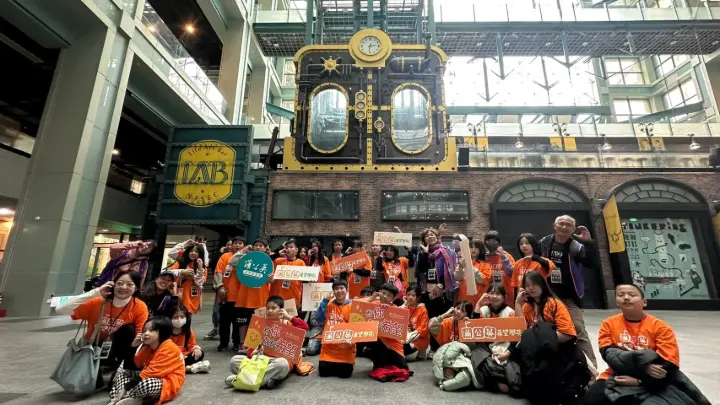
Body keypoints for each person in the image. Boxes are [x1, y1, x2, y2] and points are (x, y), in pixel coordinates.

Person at [584, 284, 710, 405]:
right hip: (616, 374)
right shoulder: (608, 324)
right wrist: (644, 365)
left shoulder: (660, 327)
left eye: (632, 294)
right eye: (621, 295)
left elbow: (668, 364)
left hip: (653, 378)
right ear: (617, 302)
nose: (626, 297)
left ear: (644, 302)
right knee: (592, 399)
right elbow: (609, 354)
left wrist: (640, 381)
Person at [495, 271, 589, 404]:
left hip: (555, 350)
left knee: (541, 330)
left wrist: (538, 338)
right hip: (534, 352)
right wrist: (517, 303)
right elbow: (521, 330)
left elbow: (568, 333)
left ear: (542, 285)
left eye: (534, 284)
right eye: (527, 285)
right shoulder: (527, 306)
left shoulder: (554, 303)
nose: (531, 288)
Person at [57, 271, 148, 384]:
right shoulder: (98, 302)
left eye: (129, 284)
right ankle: (99, 371)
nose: (123, 287)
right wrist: (96, 292)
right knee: (90, 385)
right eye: (120, 283)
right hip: (92, 349)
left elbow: (139, 338)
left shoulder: (139, 306)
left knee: (129, 330)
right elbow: (60, 309)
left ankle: (120, 371)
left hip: (119, 349)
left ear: (136, 288)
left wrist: (126, 364)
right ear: (113, 285)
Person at [539, 214, 599, 367]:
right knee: (545, 330)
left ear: (573, 229)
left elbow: (590, 263)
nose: (564, 227)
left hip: (569, 298)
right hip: (548, 297)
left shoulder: (576, 246)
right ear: (554, 225)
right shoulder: (544, 243)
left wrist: (588, 242)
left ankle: (591, 368)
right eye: (561, 223)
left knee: (579, 330)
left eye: (568, 225)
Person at [226, 296, 310, 390]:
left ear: (281, 310)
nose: (270, 311)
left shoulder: (287, 323)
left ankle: (242, 379)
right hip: (259, 360)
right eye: (268, 308)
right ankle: (263, 381)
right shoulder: (260, 324)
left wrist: (289, 317)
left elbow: (305, 327)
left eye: (273, 308)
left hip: (275, 362)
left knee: (282, 364)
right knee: (234, 360)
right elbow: (250, 348)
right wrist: (252, 353)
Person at [109, 317, 185, 405]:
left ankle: (123, 396)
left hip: (167, 382)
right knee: (125, 373)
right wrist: (133, 346)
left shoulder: (169, 347)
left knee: (145, 384)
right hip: (148, 377)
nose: (145, 333)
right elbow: (132, 365)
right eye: (144, 330)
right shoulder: (148, 348)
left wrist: (126, 387)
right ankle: (127, 397)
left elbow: (150, 372)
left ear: (162, 332)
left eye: (151, 330)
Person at [473, 285, 521, 394]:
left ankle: (500, 380)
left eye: (498, 294)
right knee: (476, 354)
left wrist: (506, 353)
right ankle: (497, 382)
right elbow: (475, 329)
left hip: (505, 347)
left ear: (504, 297)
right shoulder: (483, 310)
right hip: (487, 349)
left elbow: (516, 335)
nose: (494, 296)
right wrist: (478, 304)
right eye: (491, 293)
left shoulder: (510, 312)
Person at [234, 238, 272, 354]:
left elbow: (272, 279)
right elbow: (232, 262)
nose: (258, 247)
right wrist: (243, 251)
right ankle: (242, 344)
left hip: (260, 297)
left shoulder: (268, 261)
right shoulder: (246, 258)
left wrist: (271, 279)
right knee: (243, 322)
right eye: (256, 245)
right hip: (244, 297)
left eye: (261, 245)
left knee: (258, 322)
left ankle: (254, 345)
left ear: (265, 248)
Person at [362, 283, 409, 371]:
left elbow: (400, 330)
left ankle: (378, 358)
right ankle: (376, 358)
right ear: (379, 292)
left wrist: (388, 312)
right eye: (383, 293)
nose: (385, 296)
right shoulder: (372, 304)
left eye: (389, 295)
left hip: (393, 345)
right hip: (377, 342)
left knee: (403, 368)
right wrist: (371, 298)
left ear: (393, 298)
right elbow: (356, 307)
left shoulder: (395, 309)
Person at [316, 279, 355, 378]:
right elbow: (318, 319)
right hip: (329, 348)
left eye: (342, 288)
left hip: (346, 347)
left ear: (347, 290)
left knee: (345, 374)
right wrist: (324, 301)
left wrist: (352, 340)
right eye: (336, 289)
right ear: (333, 291)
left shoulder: (353, 306)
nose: (339, 290)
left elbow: (357, 327)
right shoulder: (328, 304)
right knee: (323, 372)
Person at [215, 237, 244, 351]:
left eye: (240, 243)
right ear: (231, 245)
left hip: (240, 296)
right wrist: (220, 286)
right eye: (235, 243)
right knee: (224, 322)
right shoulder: (225, 257)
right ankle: (223, 342)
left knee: (238, 322)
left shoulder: (247, 258)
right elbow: (218, 272)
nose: (237, 245)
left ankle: (236, 342)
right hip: (225, 295)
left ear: (244, 245)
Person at [205, 240, 233, 341]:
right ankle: (216, 328)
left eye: (231, 244)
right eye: (228, 244)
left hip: (235, 289)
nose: (230, 246)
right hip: (221, 288)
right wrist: (219, 253)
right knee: (216, 311)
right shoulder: (222, 256)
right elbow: (213, 266)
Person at [169, 306, 210, 374]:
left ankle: (178, 367)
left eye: (182, 317)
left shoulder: (188, 331)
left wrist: (196, 349)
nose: (179, 319)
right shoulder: (166, 332)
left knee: (200, 353)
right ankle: (188, 368)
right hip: (170, 356)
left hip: (183, 355)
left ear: (186, 318)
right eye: (175, 317)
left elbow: (192, 345)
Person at [454, 238, 491, 310]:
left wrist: (470, 266)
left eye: (476, 247)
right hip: (464, 298)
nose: (473, 249)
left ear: (480, 249)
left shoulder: (485, 264)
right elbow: (457, 277)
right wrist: (460, 267)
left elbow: (484, 280)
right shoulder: (463, 262)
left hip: (479, 299)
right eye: (471, 247)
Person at [170, 244, 207, 315]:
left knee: (188, 315)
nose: (193, 253)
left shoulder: (203, 266)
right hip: (179, 294)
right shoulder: (180, 263)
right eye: (191, 251)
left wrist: (200, 269)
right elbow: (170, 274)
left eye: (196, 251)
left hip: (192, 296)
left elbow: (200, 283)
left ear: (200, 254)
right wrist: (182, 273)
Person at [269, 239, 305, 305]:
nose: (288, 249)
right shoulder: (278, 261)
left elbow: (304, 279)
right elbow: (267, 259)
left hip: (293, 297)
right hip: (277, 298)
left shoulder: (301, 262)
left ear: (296, 250)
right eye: (287, 247)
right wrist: (278, 254)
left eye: (291, 247)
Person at [484, 231, 515, 306]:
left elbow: (513, 272)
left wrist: (503, 257)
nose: (491, 242)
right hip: (490, 294)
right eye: (488, 240)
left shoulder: (506, 256)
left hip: (507, 293)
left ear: (499, 242)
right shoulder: (484, 258)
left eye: (494, 240)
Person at [403, 283, 429, 361]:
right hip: (406, 336)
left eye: (413, 295)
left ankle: (421, 351)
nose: (410, 297)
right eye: (408, 294)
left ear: (418, 297)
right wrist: (404, 306)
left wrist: (407, 339)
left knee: (405, 349)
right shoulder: (404, 307)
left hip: (417, 338)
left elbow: (423, 329)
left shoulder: (422, 310)